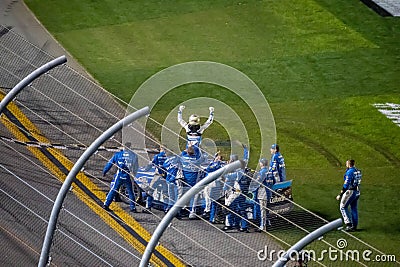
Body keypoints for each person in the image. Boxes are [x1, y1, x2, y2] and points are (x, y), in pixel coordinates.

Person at [103, 142, 139, 212]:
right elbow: (136, 167)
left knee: (113, 190)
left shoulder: (118, 155)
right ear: (130, 147)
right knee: (131, 192)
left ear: (123, 146)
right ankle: (133, 208)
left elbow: (109, 164)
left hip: (119, 175)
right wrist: (135, 174)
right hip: (128, 175)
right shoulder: (134, 155)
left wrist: (105, 171)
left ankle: (106, 204)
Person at [222, 154, 250, 232]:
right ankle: (238, 225)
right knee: (238, 209)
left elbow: (228, 178)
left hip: (237, 193)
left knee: (234, 208)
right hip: (241, 192)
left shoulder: (237, 172)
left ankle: (238, 225)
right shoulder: (242, 170)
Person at [177, 144, 205, 219]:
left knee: (183, 196)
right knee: (194, 197)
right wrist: (199, 149)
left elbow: (179, 156)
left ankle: (180, 210)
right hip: (194, 181)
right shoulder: (197, 159)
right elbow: (203, 158)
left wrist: (185, 150)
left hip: (185, 180)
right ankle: (192, 212)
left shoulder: (183, 157)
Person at [336, 159, 362, 232]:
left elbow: (346, 183)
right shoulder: (358, 171)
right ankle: (354, 226)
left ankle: (349, 224)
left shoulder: (350, 172)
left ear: (349, 164)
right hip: (357, 191)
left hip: (351, 191)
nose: (346, 165)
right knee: (354, 208)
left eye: (346, 164)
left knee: (342, 206)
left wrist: (340, 194)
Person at [143, 146, 168, 214]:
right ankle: (166, 209)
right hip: (166, 177)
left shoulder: (157, 156)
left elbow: (151, 164)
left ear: (161, 149)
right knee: (166, 193)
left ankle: (148, 207)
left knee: (150, 191)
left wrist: (145, 170)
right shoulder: (169, 157)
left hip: (157, 176)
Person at [202, 152, 226, 223]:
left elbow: (210, 169)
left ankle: (209, 212)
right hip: (208, 183)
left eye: (219, 158)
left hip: (214, 185)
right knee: (206, 197)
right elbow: (208, 168)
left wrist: (217, 162)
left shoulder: (219, 165)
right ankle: (208, 212)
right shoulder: (212, 163)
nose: (217, 159)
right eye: (217, 157)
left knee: (211, 199)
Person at [254, 158, 276, 232]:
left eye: (260, 162)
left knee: (262, 210)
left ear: (262, 163)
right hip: (268, 193)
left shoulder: (262, 172)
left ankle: (263, 227)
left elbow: (257, 182)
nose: (259, 164)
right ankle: (267, 224)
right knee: (266, 210)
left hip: (262, 193)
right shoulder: (269, 171)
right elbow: (274, 181)